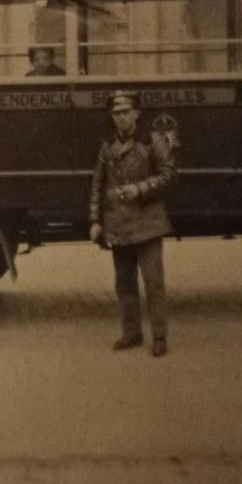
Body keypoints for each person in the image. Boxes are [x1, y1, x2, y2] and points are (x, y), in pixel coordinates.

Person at [88, 91, 177, 357]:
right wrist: (95, 220)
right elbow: (97, 185)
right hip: (119, 224)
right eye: (116, 113)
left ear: (137, 113)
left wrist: (140, 189)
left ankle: (159, 337)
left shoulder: (152, 141)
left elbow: (169, 174)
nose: (121, 118)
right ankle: (131, 333)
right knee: (124, 284)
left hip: (148, 223)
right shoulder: (107, 147)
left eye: (126, 112)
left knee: (153, 283)